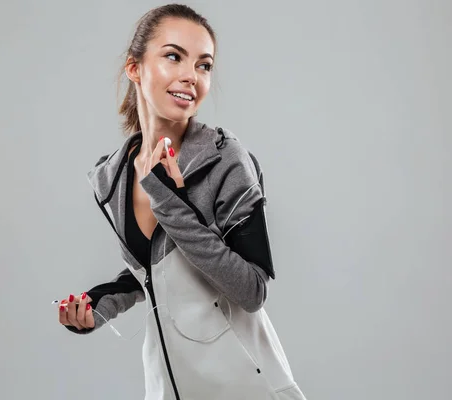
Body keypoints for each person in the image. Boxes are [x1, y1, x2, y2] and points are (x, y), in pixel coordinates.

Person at [57, 4, 306, 399]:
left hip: (245, 385)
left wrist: (172, 202)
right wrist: (99, 305)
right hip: (166, 386)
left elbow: (252, 290)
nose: (191, 76)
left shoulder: (225, 159)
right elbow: (157, 271)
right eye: (174, 56)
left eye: (204, 65)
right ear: (134, 68)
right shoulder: (116, 175)